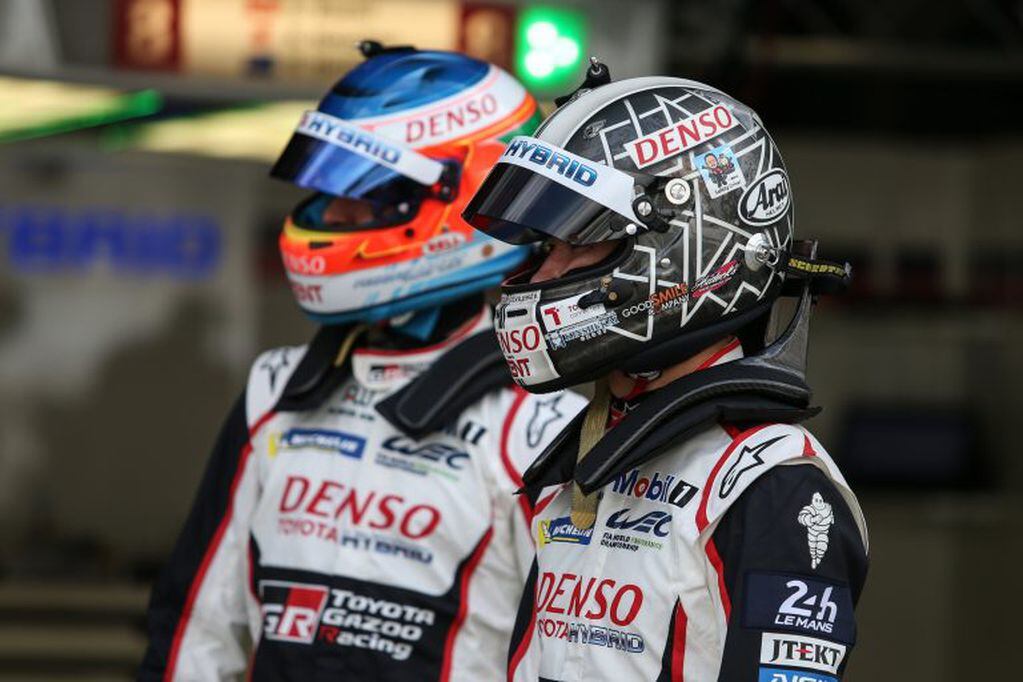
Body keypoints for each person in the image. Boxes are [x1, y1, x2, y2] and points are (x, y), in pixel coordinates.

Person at [139, 43, 585, 681]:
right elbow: (197, 629)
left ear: (467, 203)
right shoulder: (279, 387)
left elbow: (571, 656)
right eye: (330, 187)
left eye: (369, 196)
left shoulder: (542, 421)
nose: (335, 214)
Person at [463, 66, 869, 681]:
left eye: (579, 243)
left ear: (684, 247)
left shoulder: (771, 484)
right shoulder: (588, 454)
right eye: (546, 247)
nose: (544, 277)